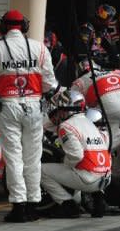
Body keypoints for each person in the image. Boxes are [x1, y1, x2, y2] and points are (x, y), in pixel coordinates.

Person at [0, 9, 58, 222]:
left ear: (4, 27)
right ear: (24, 26)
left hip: (7, 106)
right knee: (33, 158)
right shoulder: (39, 48)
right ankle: (34, 205)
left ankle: (19, 206)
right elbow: (50, 84)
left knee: (13, 157)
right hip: (33, 106)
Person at [41, 90, 112, 218]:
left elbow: (76, 156)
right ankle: (98, 200)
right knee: (86, 163)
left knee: (40, 170)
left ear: (65, 110)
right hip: (105, 178)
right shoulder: (89, 123)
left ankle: (66, 204)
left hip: (88, 179)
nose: (58, 114)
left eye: (60, 110)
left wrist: (64, 162)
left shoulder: (66, 126)